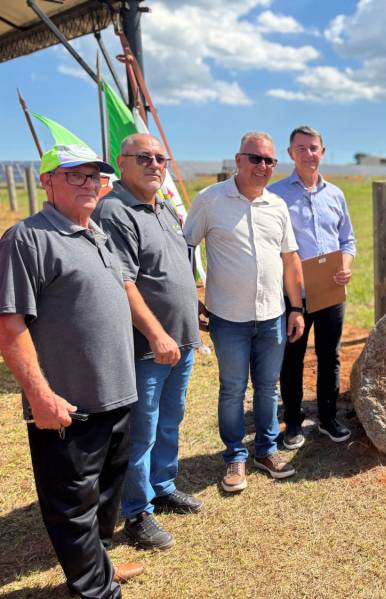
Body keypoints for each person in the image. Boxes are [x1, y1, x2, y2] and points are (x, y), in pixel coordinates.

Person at [0, 144, 143, 597]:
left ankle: (99, 567)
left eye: (95, 177)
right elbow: (9, 325)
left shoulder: (96, 233)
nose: (89, 185)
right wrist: (40, 396)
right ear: (47, 182)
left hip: (117, 395)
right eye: (75, 176)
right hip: (68, 405)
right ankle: (94, 590)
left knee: (104, 497)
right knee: (72, 506)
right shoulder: (27, 239)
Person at [93, 133, 202, 550]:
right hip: (148, 347)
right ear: (122, 163)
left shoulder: (165, 207)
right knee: (142, 431)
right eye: (145, 158)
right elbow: (123, 281)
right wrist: (157, 334)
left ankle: (162, 485)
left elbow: (174, 269)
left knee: (169, 420)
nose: (156, 164)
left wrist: (193, 311)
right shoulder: (115, 211)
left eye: (161, 158)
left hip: (181, 340)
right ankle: (137, 512)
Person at [184, 131, 305, 493]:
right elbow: (185, 248)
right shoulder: (210, 200)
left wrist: (296, 307)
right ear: (238, 160)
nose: (263, 166)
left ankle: (266, 450)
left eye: (269, 161)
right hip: (229, 318)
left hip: (272, 316)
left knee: (268, 389)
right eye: (255, 158)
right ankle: (235, 454)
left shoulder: (278, 206)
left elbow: (290, 258)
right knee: (233, 389)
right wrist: (191, 296)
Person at [268, 125, 356, 449]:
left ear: (323, 152)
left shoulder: (335, 194)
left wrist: (345, 265)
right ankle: (292, 422)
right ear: (290, 153)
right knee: (292, 358)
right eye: (301, 148)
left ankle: (328, 418)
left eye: (313, 148)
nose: (308, 154)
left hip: (331, 291)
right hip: (295, 295)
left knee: (329, 355)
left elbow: (348, 238)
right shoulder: (276, 195)